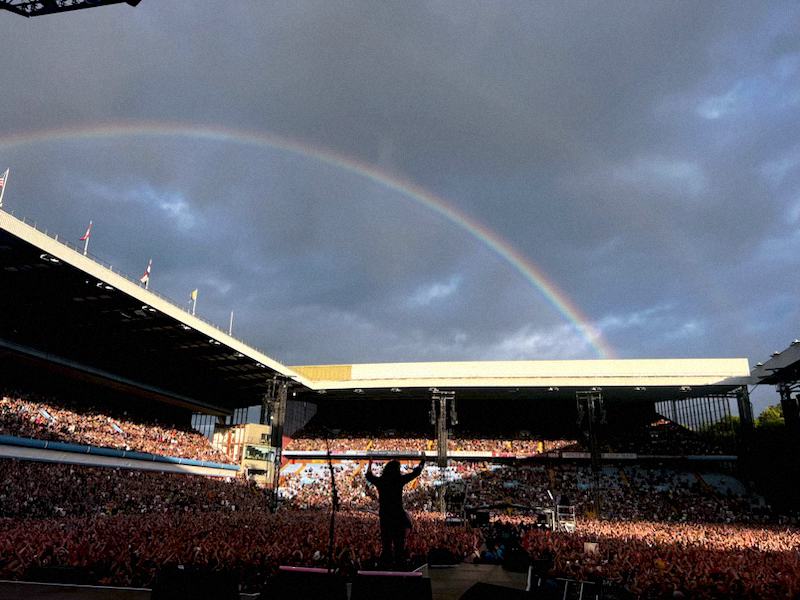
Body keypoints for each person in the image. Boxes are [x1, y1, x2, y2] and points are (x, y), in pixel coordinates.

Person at [365, 455, 425, 568]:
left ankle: (384, 567)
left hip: (385, 516)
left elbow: (368, 476)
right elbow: (416, 473)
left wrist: (370, 462)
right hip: (397, 516)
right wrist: (423, 461)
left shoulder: (381, 481)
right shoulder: (399, 480)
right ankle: (400, 567)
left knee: (386, 544)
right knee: (399, 545)